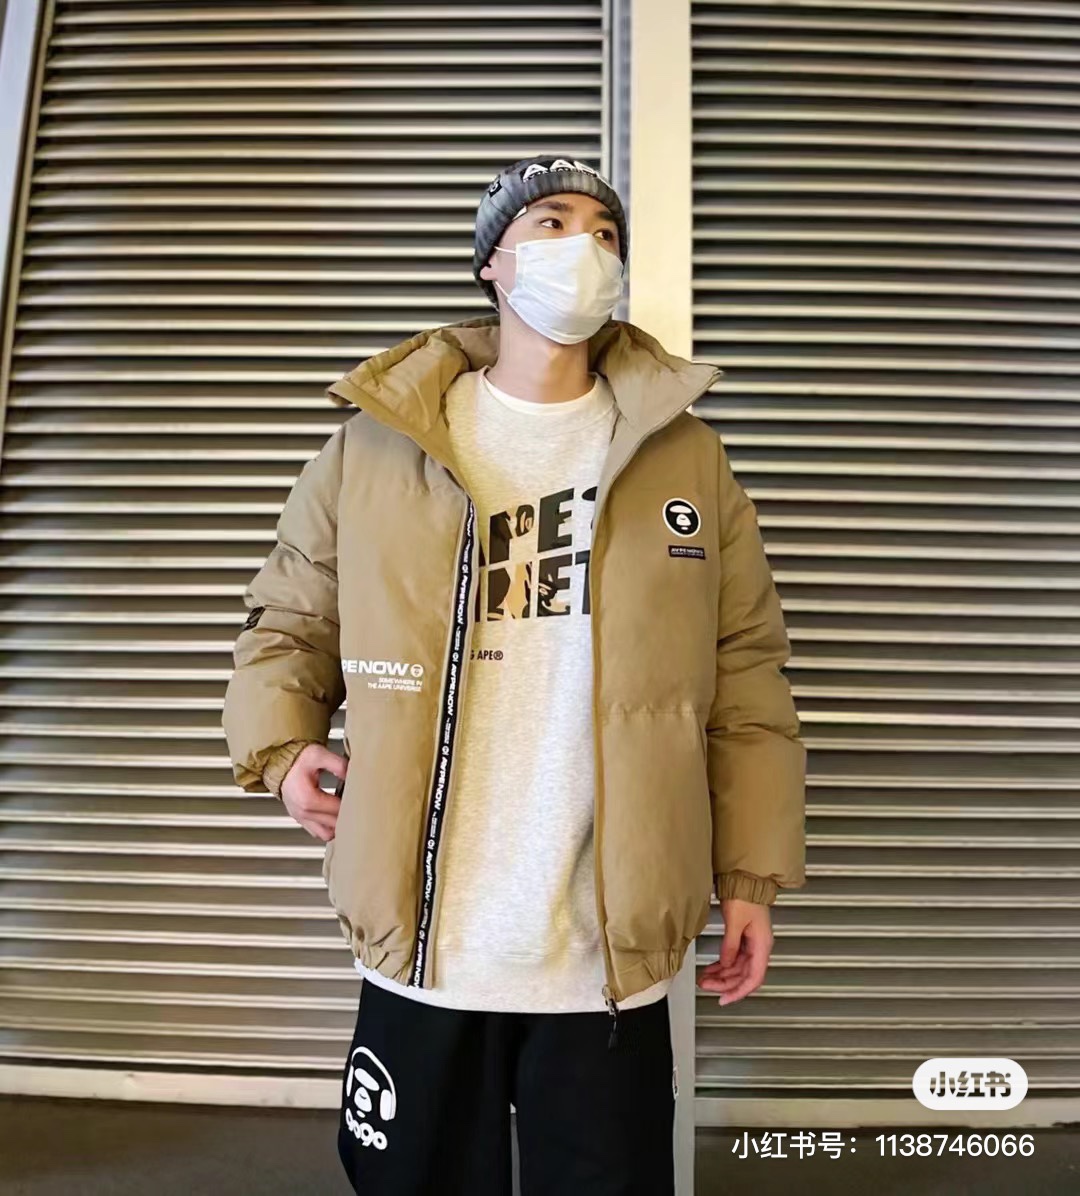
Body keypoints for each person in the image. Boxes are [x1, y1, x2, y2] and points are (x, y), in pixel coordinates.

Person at [222, 154, 806, 1196]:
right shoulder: (376, 447)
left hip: (603, 953)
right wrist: (281, 747)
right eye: (552, 222)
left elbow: (746, 674)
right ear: (492, 261)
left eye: (604, 231)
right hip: (425, 938)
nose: (585, 247)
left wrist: (749, 875)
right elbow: (290, 620)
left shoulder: (686, 458)